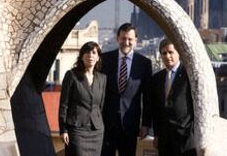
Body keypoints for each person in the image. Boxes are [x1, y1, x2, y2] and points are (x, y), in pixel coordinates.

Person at [101, 23, 152, 156]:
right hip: (106, 124)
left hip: (130, 125)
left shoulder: (144, 64)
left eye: (130, 39)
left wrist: (146, 124)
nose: (126, 42)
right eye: (123, 38)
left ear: (136, 40)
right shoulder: (105, 60)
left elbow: (147, 97)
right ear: (117, 38)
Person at [59, 41, 107, 156]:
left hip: (96, 131)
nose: (90, 55)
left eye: (94, 53)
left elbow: (101, 105)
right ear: (81, 56)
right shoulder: (71, 75)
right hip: (76, 130)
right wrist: (63, 130)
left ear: (98, 57)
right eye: (87, 52)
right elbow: (64, 104)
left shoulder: (102, 78)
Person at [151, 39, 196, 156]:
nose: (167, 56)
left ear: (178, 53)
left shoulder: (189, 75)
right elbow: (156, 109)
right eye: (164, 53)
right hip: (164, 139)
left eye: (171, 52)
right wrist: (157, 134)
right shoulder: (157, 78)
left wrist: (193, 131)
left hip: (185, 138)